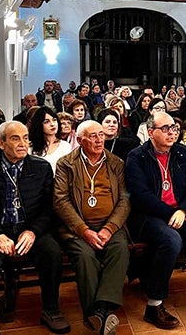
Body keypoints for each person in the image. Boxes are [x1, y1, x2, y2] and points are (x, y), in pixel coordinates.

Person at [0, 121, 70, 334]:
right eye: (15, 138)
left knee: (52, 251)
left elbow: (49, 209)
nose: (23, 144)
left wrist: (33, 231)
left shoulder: (40, 168)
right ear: (1, 144)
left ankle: (51, 309)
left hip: (30, 229)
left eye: (25, 138)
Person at [125, 112, 186, 329]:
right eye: (165, 128)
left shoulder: (184, 154)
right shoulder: (137, 156)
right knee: (171, 240)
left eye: (174, 128)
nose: (171, 133)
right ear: (151, 133)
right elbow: (140, 195)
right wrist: (171, 213)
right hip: (150, 216)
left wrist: (184, 210)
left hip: (182, 213)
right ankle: (154, 304)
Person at [53, 121, 130, 335]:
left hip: (110, 225)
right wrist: (83, 230)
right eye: (92, 136)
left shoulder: (116, 163)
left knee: (120, 250)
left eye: (101, 135)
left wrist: (110, 228)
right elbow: (60, 201)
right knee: (85, 257)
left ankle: (99, 312)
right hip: (77, 227)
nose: (99, 140)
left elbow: (125, 199)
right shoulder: (66, 164)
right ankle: (101, 315)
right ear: (79, 140)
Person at [29, 107, 73, 173]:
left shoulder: (65, 146)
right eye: (46, 122)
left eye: (54, 120)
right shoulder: (30, 148)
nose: (52, 124)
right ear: (39, 124)